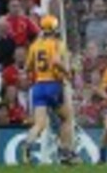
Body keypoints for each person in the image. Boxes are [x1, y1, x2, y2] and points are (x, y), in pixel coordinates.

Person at [21, 15, 78, 164]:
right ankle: (65, 152)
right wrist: (67, 73)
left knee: (40, 124)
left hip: (38, 87)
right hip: (53, 84)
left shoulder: (35, 45)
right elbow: (56, 61)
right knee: (66, 119)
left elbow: (27, 68)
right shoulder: (57, 43)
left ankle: (28, 143)